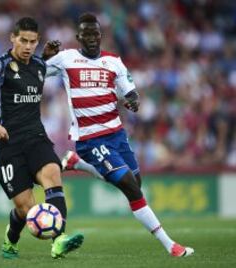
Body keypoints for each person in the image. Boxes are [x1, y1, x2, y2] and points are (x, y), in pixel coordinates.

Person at [43, 13, 194, 257]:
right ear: (78, 37)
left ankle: (76, 163)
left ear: (101, 36)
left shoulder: (114, 62)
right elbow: (37, 71)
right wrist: (45, 56)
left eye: (95, 34)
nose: (91, 38)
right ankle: (171, 246)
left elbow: (131, 93)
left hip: (117, 135)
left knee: (136, 185)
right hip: (90, 139)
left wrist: (133, 102)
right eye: (86, 34)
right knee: (130, 189)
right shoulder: (66, 59)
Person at [0, 17, 83, 259]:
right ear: (13, 38)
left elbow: (42, 68)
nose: (28, 46)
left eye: (32, 41)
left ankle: (59, 239)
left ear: (37, 41)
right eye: (23, 41)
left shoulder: (40, 65)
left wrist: (48, 57)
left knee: (53, 173)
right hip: (7, 143)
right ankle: (11, 240)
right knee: (25, 207)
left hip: (36, 137)